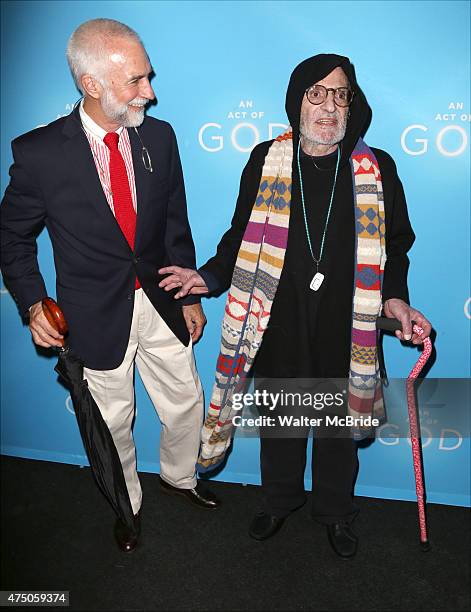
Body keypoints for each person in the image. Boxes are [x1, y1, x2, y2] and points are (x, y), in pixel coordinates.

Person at [158, 54, 432, 559]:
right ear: (297, 100)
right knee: (282, 424)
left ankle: (335, 512)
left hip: (348, 323)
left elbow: (396, 244)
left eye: (340, 94)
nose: (329, 105)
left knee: (335, 432)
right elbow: (240, 235)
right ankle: (279, 501)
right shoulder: (267, 159)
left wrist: (396, 300)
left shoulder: (378, 168)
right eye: (317, 93)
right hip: (277, 319)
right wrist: (208, 277)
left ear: (353, 103)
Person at [0, 18, 220, 554]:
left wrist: (187, 292)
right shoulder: (40, 153)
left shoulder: (160, 136)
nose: (150, 92)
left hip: (161, 300)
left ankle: (179, 477)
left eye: (148, 77)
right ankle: (129, 505)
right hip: (93, 313)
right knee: (113, 422)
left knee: (186, 400)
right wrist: (32, 303)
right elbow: (11, 236)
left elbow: (174, 222)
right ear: (92, 84)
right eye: (136, 81)